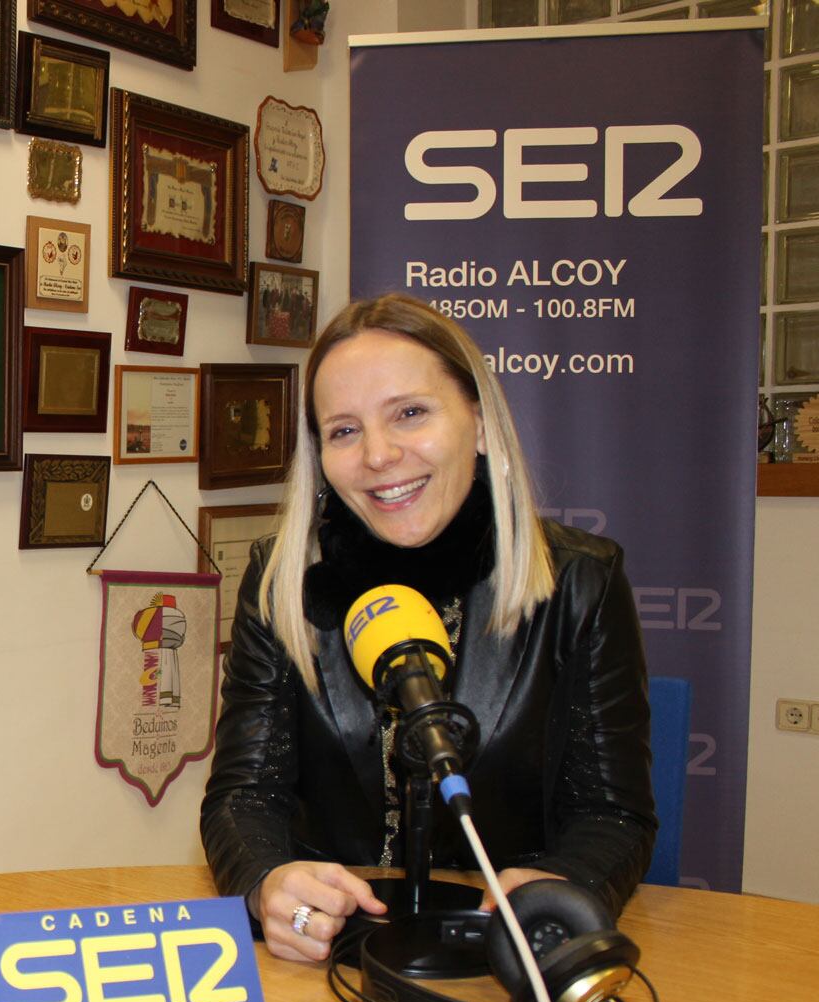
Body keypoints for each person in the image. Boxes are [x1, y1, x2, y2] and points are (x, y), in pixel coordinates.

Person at [202, 293, 656, 965]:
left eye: (410, 413)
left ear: (478, 422)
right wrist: (267, 881)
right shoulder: (282, 583)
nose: (379, 455)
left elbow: (612, 813)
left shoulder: (582, 582)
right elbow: (245, 794)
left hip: (502, 953)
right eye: (344, 430)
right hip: (331, 953)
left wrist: (566, 886)